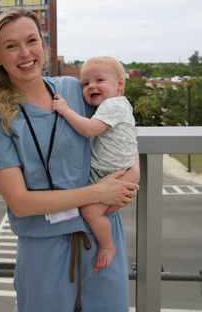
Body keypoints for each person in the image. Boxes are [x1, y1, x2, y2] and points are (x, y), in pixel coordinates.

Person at [0, 8, 140, 311]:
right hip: (45, 251)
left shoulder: (75, 90)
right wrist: (99, 193)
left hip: (102, 241)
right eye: (11, 46)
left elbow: (121, 132)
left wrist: (130, 177)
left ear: (43, 46)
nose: (25, 53)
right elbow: (20, 203)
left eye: (31, 40)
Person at [52, 57, 138, 272]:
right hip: (117, 170)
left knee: (90, 211)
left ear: (119, 84)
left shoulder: (112, 106)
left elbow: (89, 129)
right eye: (85, 83)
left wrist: (65, 110)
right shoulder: (120, 104)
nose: (92, 86)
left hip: (108, 173)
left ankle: (107, 246)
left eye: (99, 80)